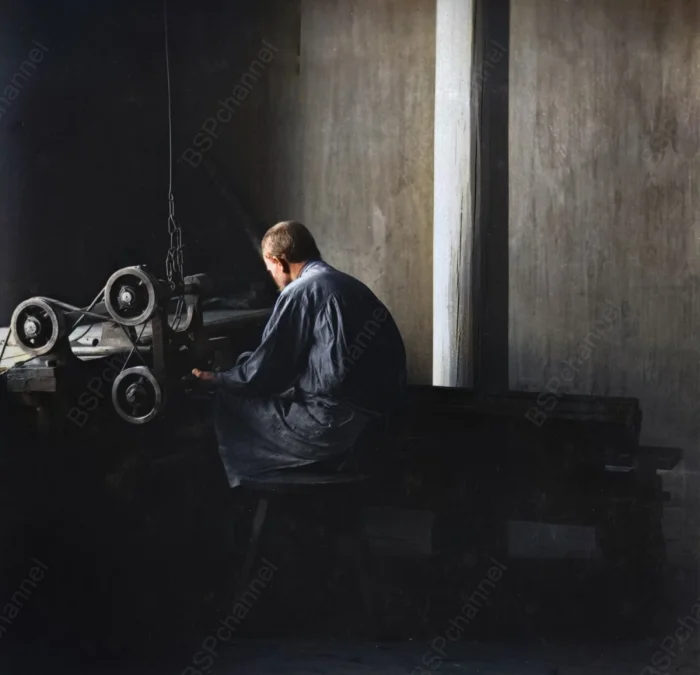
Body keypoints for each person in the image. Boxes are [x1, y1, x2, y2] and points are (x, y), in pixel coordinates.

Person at [192, 220, 407, 488]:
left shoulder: (300, 292)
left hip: (335, 426)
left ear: (279, 261)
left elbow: (266, 373)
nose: (272, 276)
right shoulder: (347, 284)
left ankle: (253, 482)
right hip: (379, 415)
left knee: (228, 400)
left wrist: (218, 378)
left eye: (270, 268)